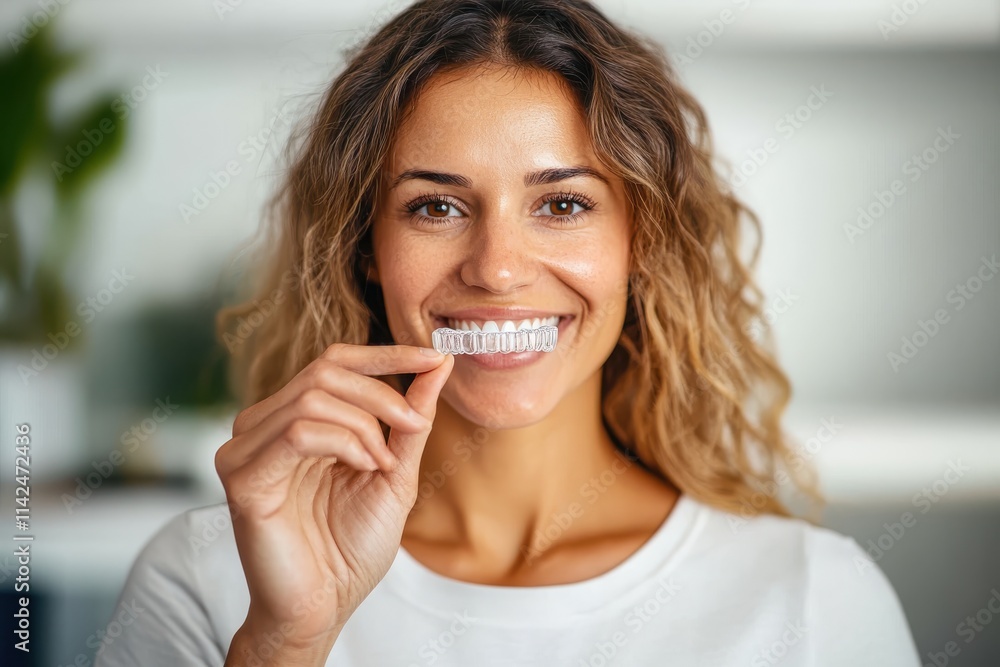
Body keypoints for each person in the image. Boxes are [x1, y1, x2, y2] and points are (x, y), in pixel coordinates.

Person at [96, 0, 922, 665]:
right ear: (367, 249)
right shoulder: (209, 578)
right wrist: (286, 642)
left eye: (562, 205)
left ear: (642, 245)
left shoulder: (814, 597)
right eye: (436, 206)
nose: (496, 269)